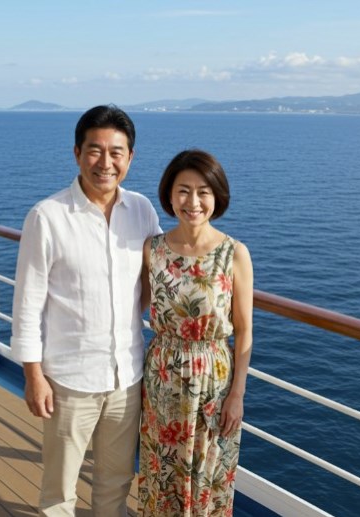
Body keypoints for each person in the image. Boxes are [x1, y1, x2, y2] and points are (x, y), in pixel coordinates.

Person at [10, 104, 160, 516]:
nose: (105, 162)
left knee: (116, 482)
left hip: (127, 376)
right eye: (95, 150)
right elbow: (27, 304)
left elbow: (161, 272)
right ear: (77, 153)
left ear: (130, 158)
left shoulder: (142, 210)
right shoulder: (47, 216)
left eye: (116, 152)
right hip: (69, 380)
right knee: (59, 489)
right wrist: (33, 376)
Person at [138, 149, 254, 516]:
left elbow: (245, 331)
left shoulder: (233, 253)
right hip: (163, 377)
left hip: (213, 383)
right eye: (183, 191)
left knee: (209, 474)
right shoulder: (153, 249)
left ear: (217, 197)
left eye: (203, 192)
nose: (193, 202)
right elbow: (134, 304)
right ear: (169, 195)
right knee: (162, 471)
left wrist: (237, 395)